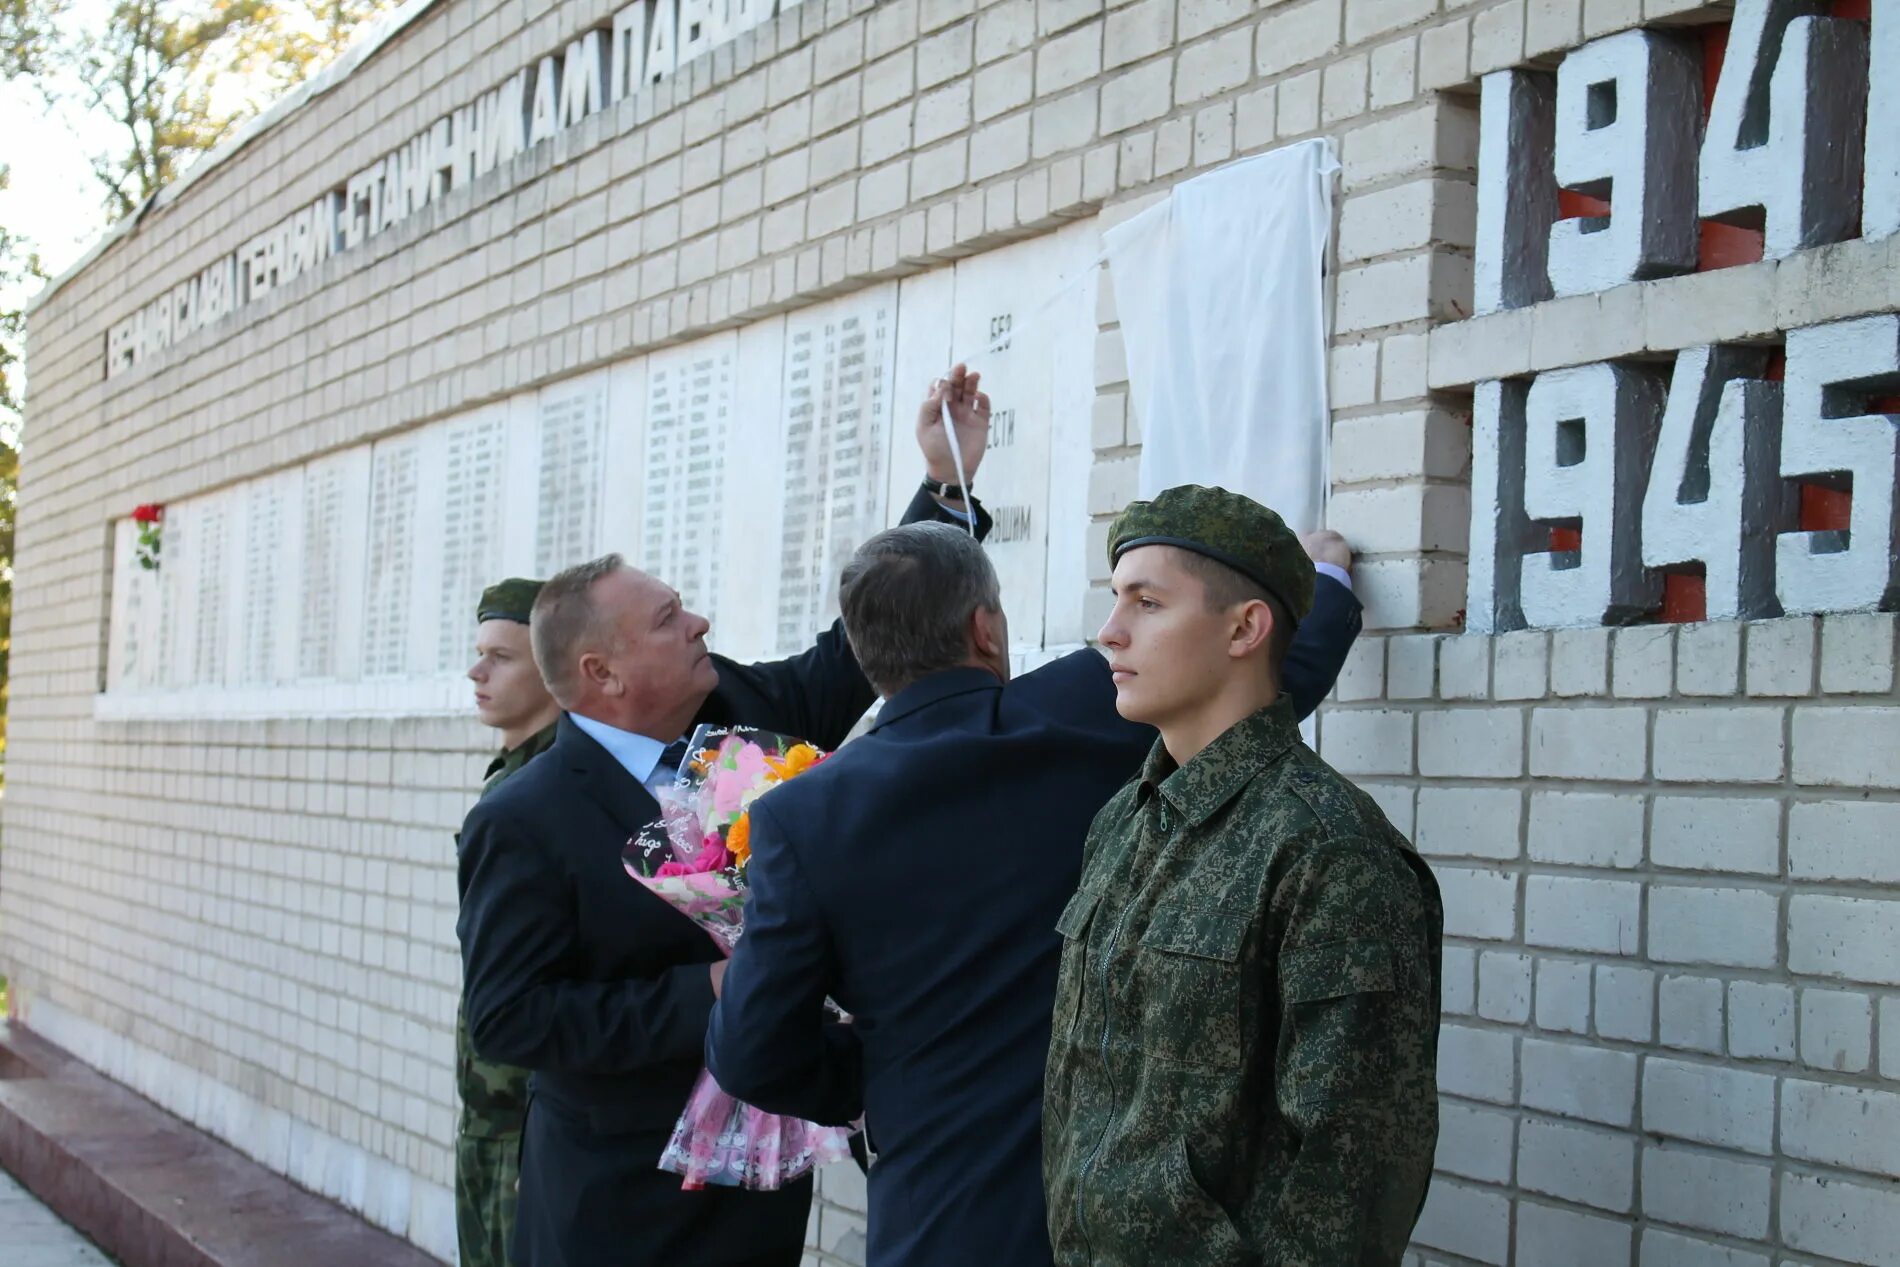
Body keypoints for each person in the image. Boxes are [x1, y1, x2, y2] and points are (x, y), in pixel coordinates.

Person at [703, 510, 1364, 1267]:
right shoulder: (1086, 709)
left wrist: (878, 1069)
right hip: (1136, 1205)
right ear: (985, 628)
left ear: (860, 649)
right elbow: (1259, 683)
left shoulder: (802, 815)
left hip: (943, 1214)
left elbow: (752, 1050)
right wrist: (1329, 579)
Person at [455, 371, 996, 1267]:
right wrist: (708, 993)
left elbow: (856, 651)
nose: (699, 620)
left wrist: (946, 487)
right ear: (605, 674)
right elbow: (512, 1018)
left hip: (762, 1192)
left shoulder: (741, 709)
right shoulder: (523, 819)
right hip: (619, 1200)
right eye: (669, 618)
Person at [1044, 485, 1443, 1267]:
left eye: (1147, 603)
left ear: (1245, 628)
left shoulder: (1329, 852)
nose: (1110, 631)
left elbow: (1350, 1180)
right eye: (1115, 599)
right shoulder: (1124, 819)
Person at [455, 578, 562, 1267]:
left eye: (501, 655)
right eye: (478, 652)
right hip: (489, 1113)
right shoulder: (514, 774)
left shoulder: (554, 788)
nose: (476, 671)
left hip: (526, 1118)